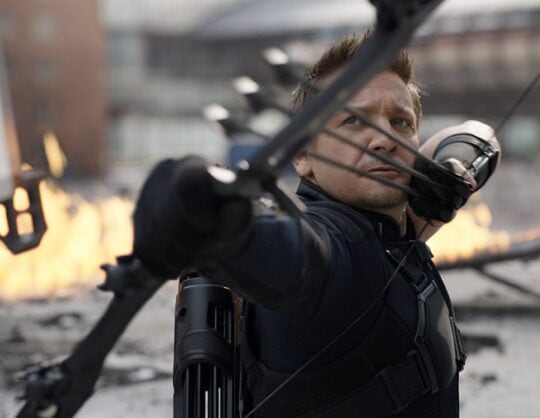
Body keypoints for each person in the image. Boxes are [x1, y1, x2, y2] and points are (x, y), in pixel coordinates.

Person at [132, 32, 500, 417]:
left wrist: (451, 171)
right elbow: (296, 251)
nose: (384, 139)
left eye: (401, 122)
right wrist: (209, 209)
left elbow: (482, 135)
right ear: (303, 155)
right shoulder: (336, 248)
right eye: (353, 121)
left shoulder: (398, 227)